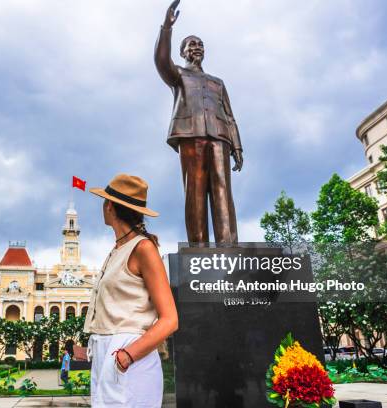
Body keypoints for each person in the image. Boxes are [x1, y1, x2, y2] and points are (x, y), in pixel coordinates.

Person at [83, 174, 179, 408]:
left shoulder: (143, 248)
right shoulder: (118, 249)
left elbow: (170, 320)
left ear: (110, 207)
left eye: (105, 201)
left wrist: (127, 355)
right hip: (109, 354)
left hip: (129, 353)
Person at [154, 0, 243, 244]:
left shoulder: (217, 82)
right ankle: (199, 246)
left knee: (223, 190)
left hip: (219, 137)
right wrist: (167, 29)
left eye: (200, 44)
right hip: (190, 135)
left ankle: (229, 245)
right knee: (195, 191)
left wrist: (237, 146)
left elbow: (230, 115)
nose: (197, 47)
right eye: (192, 44)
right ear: (182, 52)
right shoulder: (179, 75)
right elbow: (161, 61)